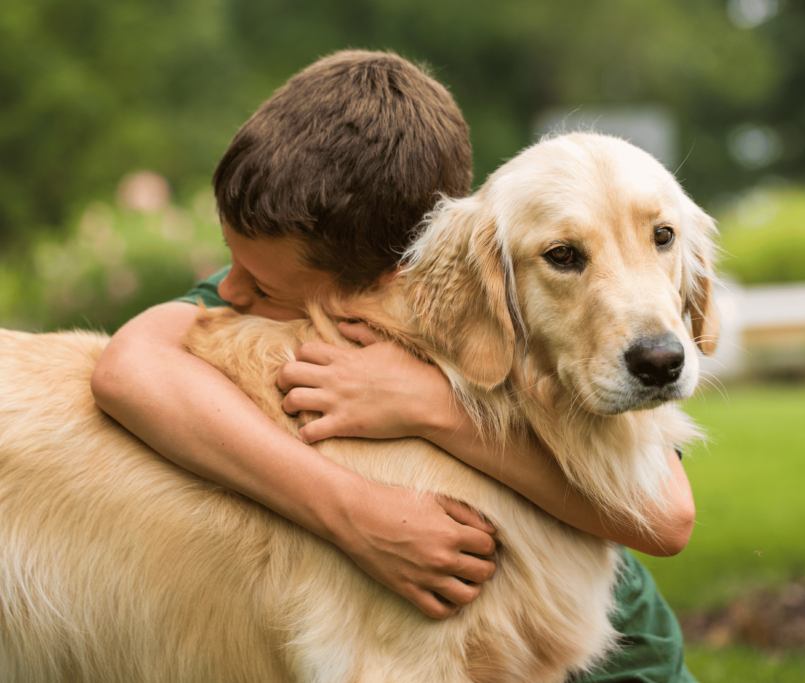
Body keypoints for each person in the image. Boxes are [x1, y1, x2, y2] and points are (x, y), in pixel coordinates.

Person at [91, 49, 699, 682]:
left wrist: (431, 408)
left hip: (626, 658)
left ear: (387, 280)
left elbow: (667, 516)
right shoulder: (307, 263)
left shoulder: (471, 283)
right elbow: (127, 367)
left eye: (264, 285)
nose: (232, 292)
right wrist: (354, 510)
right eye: (232, 262)